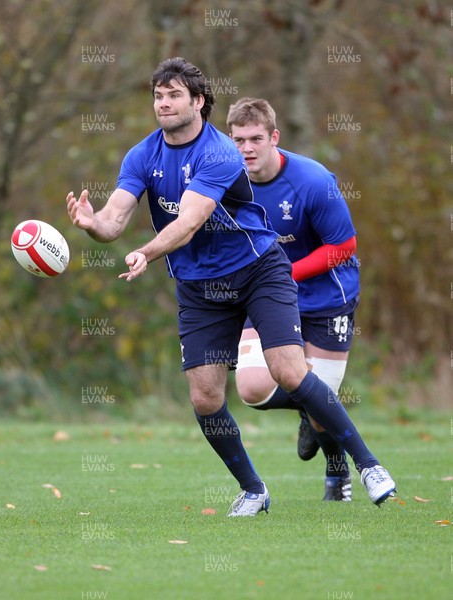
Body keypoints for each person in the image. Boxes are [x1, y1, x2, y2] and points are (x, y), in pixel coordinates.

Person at [66, 57, 396, 516]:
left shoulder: (219, 152)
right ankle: (254, 490)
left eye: (174, 95)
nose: (163, 104)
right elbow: (114, 218)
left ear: (198, 102)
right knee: (205, 396)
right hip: (199, 287)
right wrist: (91, 224)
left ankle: (369, 466)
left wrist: (146, 252)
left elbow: (189, 220)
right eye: (158, 96)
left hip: (257, 269)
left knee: (288, 372)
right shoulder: (141, 155)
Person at [227, 97, 361, 501]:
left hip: (327, 298)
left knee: (320, 401)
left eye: (255, 139)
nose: (246, 148)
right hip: (266, 295)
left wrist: (286, 273)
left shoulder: (314, 180)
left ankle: (337, 472)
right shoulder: (225, 181)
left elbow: (344, 246)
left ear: (274, 138)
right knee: (252, 388)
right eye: (237, 140)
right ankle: (309, 403)